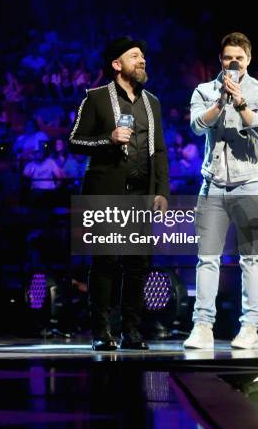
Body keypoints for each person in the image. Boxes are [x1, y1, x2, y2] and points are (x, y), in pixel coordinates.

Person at [69, 36, 169, 351]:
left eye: (143, 56)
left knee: (137, 265)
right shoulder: (96, 98)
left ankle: (132, 331)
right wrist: (109, 139)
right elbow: (75, 141)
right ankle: (101, 330)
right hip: (106, 194)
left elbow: (160, 150)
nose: (142, 60)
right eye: (134, 56)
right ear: (117, 64)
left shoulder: (152, 102)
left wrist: (161, 191)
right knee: (106, 263)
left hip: (141, 194)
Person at [183, 32, 258, 350]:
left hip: (248, 184)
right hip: (212, 185)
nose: (233, 62)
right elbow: (197, 125)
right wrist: (221, 102)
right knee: (207, 258)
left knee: (252, 257)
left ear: (248, 59)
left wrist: (240, 103)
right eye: (227, 57)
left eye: (238, 57)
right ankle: (202, 326)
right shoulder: (204, 90)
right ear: (220, 60)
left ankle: (250, 326)